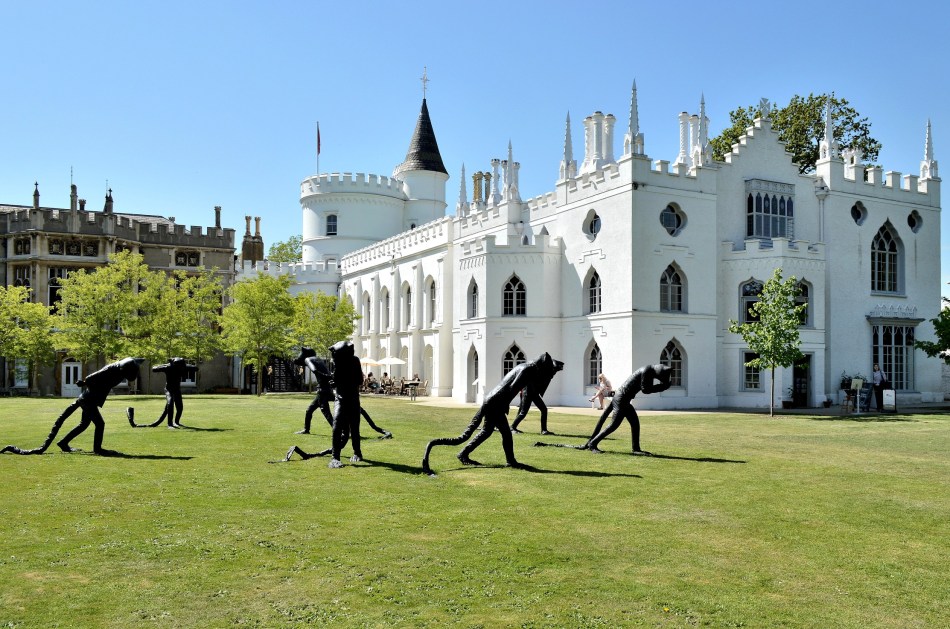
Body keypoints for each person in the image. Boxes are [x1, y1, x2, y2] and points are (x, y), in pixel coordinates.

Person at [422, 352, 564, 475]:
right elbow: (513, 388)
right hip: (496, 402)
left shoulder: (526, 367)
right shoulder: (527, 370)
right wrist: (504, 405)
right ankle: (510, 461)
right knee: (505, 434)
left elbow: (511, 388)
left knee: (486, 431)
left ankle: (463, 454)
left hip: (493, 400)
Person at [2, 358, 144, 456]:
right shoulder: (112, 370)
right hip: (88, 400)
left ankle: (63, 443)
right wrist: (84, 382)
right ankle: (98, 449)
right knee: (100, 424)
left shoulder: (117, 371)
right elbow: (92, 377)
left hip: (88, 399)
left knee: (84, 424)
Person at [584, 364, 672, 455]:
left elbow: (646, 388)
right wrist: (662, 387)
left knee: (635, 424)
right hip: (621, 399)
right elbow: (645, 389)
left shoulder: (649, 370)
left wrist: (662, 386)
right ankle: (592, 444)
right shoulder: (647, 371)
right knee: (614, 425)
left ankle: (636, 449)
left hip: (624, 399)